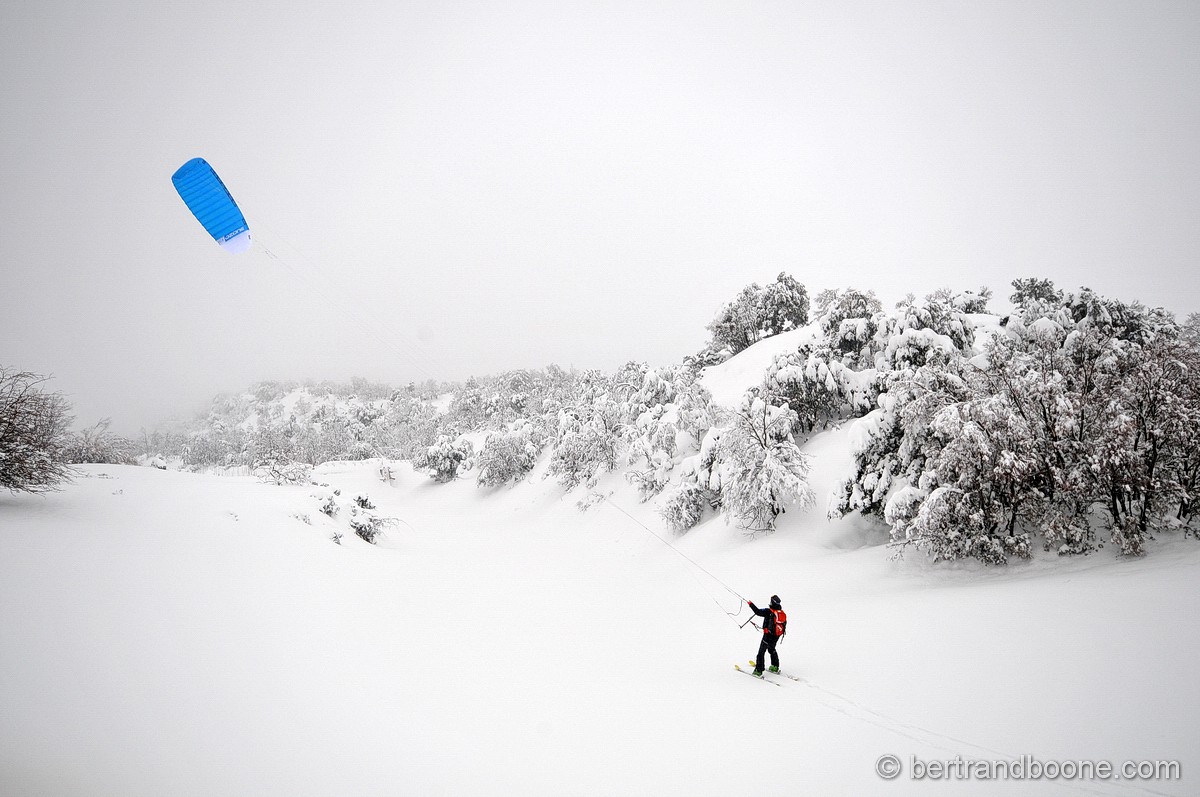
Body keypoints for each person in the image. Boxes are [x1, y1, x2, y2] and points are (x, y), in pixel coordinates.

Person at [748, 595, 787, 677]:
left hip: (768, 635)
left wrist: (750, 604)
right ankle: (775, 666)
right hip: (776, 636)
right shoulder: (781, 612)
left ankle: (758, 670)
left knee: (761, 652)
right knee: (771, 649)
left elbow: (757, 612)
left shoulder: (768, 611)